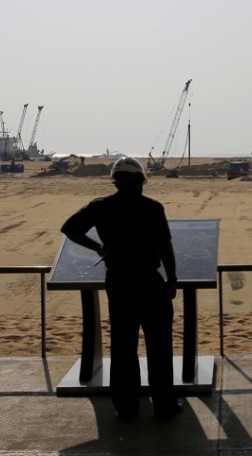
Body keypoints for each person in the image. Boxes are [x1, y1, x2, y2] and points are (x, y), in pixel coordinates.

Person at [60, 156, 182, 419]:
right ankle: (164, 405)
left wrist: (98, 247)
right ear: (140, 180)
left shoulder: (100, 206)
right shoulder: (153, 208)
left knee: (123, 346)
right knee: (159, 346)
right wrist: (172, 280)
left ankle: (126, 406)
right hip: (150, 283)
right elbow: (165, 247)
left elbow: (69, 228)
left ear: (115, 181)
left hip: (119, 283)